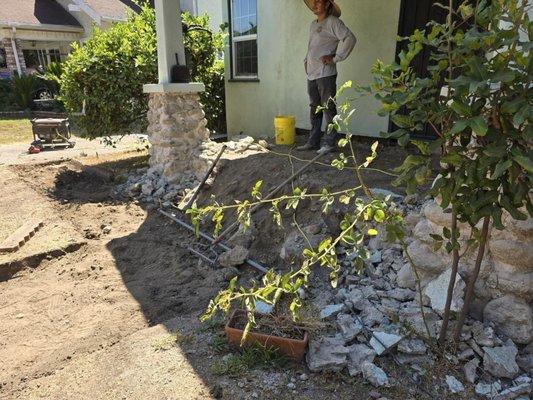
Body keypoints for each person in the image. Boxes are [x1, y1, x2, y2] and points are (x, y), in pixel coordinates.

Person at [298, 0, 356, 155]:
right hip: (312, 73)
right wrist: (306, 60)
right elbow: (312, 46)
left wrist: (336, 58)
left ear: (328, 5)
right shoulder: (313, 24)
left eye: (319, 1)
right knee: (314, 108)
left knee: (328, 108)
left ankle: (330, 143)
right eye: (314, 2)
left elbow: (350, 38)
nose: (315, 5)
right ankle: (313, 141)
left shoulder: (333, 22)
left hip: (325, 74)